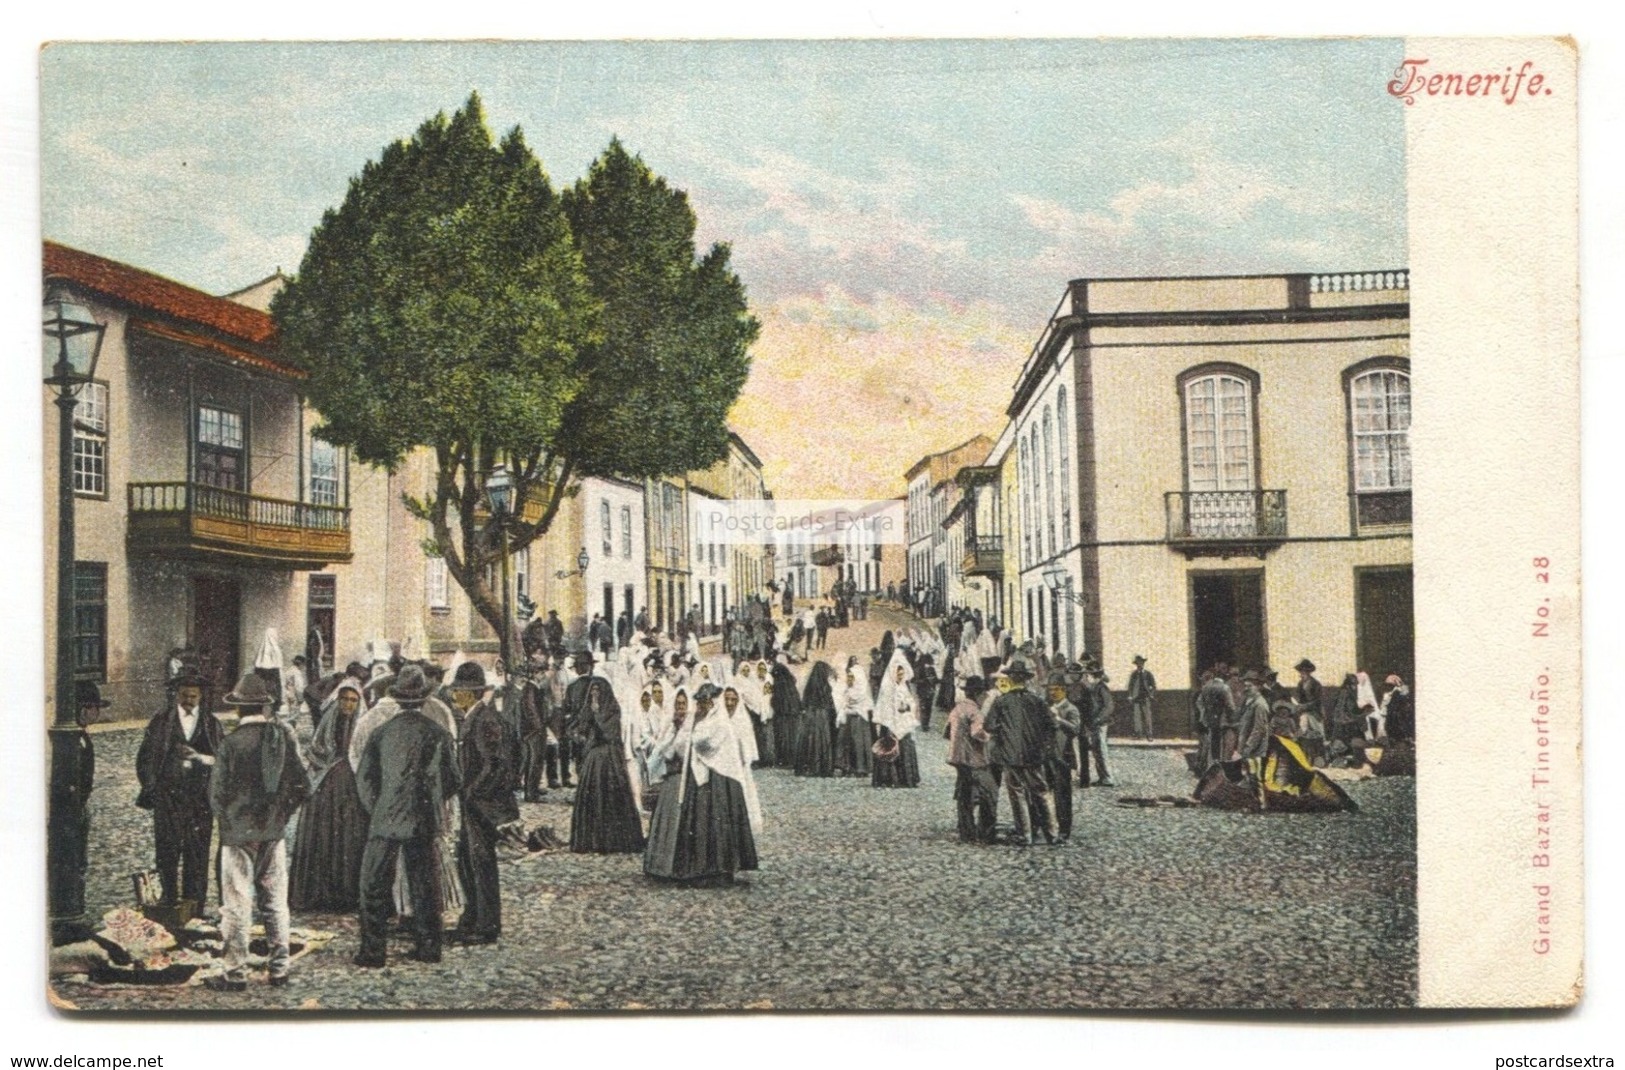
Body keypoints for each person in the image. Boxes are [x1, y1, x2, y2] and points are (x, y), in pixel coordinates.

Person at [205, 673, 310, 991]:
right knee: (276, 902)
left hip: (238, 834)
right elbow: (302, 786)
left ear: (238, 709)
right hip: (273, 833)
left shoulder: (231, 743)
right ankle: (279, 969)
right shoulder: (281, 736)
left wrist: (228, 822)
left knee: (236, 903)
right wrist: (281, 815)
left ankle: (235, 973)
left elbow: (216, 794)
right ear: (265, 707)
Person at [354, 666, 462, 968]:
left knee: (373, 886)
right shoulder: (437, 733)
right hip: (423, 818)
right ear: (424, 698)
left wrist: (378, 806)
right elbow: (453, 779)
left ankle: (373, 952)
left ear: (398, 699)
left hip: (385, 819)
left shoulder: (381, 733)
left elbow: (364, 780)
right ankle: (429, 948)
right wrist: (429, 800)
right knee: (425, 886)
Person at [644, 683, 760, 885]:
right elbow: (679, 747)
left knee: (718, 822)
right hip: (699, 779)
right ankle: (700, 868)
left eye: (707, 702)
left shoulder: (720, 723)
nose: (703, 707)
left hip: (720, 779)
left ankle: (720, 869)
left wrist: (692, 730)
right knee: (700, 824)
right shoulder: (698, 722)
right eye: (700, 703)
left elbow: (706, 743)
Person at [135, 665, 223, 911]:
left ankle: (194, 909)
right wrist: (153, 788)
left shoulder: (210, 723)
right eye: (184, 695)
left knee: (197, 854)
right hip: (169, 798)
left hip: (199, 800)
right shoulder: (161, 722)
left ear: (201, 697)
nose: (188, 700)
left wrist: (201, 758)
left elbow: (222, 758)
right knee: (167, 851)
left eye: (193, 696)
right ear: (176, 694)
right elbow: (146, 758)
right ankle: (168, 904)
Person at [445, 662, 516, 947]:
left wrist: (473, 791)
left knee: (481, 862)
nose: (454, 696)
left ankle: (487, 924)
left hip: (480, 804)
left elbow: (494, 764)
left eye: (458, 692)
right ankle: (472, 916)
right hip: (472, 802)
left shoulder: (484, 720)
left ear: (470, 693)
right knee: (468, 861)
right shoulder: (473, 717)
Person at [289, 680, 367, 913]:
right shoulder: (329, 720)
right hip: (326, 783)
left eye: (353, 700)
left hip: (352, 784)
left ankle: (346, 895)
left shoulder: (361, 725)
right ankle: (320, 893)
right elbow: (318, 751)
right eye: (344, 699)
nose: (348, 704)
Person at [982, 657, 1058, 846]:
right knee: (1042, 792)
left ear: (1010, 679)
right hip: (1034, 754)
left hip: (1011, 755)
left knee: (1017, 794)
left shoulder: (1001, 702)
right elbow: (1053, 724)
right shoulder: (1037, 701)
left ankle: (1025, 835)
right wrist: (1043, 743)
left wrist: (1003, 730)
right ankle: (1053, 833)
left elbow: (989, 726)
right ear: (1026, 679)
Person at [569, 676, 648, 854]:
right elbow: (577, 726)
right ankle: (591, 839)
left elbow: (608, 733)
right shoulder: (589, 708)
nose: (595, 694)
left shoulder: (613, 709)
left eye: (598, 691)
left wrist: (596, 714)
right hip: (593, 757)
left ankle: (612, 839)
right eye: (593, 691)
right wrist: (578, 734)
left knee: (610, 796)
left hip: (609, 758)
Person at [947, 676, 997, 844]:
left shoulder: (957, 709)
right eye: (983, 695)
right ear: (978, 694)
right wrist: (989, 736)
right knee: (989, 794)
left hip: (958, 758)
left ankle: (966, 832)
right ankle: (986, 834)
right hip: (974, 759)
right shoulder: (975, 712)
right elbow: (977, 733)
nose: (984, 699)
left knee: (964, 796)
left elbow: (947, 732)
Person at [871, 650, 921, 788]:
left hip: (903, 722)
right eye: (898, 674)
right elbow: (885, 708)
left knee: (905, 747)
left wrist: (908, 707)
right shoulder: (888, 688)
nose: (900, 677)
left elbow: (911, 702)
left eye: (902, 674)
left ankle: (906, 778)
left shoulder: (903, 686)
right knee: (891, 748)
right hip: (891, 724)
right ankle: (890, 778)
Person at [1044, 672, 1081, 843]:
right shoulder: (1047, 707)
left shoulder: (1070, 709)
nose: (1053, 693)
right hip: (1047, 757)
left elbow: (1075, 729)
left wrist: (1059, 720)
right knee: (1044, 793)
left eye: (1057, 689)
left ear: (1064, 690)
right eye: (1051, 690)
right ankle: (1046, 827)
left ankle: (1064, 830)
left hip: (1063, 757)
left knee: (1062, 796)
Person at [793, 662, 837, 777]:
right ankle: (821, 767)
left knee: (810, 742)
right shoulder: (825, 686)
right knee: (821, 742)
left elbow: (804, 701)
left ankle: (809, 766)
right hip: (821, 716)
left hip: (810, 716)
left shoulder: (810, 685)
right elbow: (829, 702)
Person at [833, 658, 873, 778]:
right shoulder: (848, 690)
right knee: (846, 743)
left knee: (858, 743)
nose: (849, 679)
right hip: (849, 720)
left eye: (852, 677)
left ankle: (860, 767)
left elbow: (861, 703)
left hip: (858, 719)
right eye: (848, 677)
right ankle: (847, 766)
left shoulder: (861, 692)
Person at [1083, 666, 1116, 788]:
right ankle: (1102, 777)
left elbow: (1108, 707)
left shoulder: (1102, 688)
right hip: (1095, 723)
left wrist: (1098, 719)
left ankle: (1108, 777)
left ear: (1094, 676)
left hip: (1100, 724)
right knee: (1096, 750)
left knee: (1101, 750)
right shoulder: (1095, 688)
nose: (1087, 677)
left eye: (1088, 675)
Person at [770, 656, 802, 767]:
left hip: (782, 716)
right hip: (792, 716)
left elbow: (776, 701)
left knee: (783, 738)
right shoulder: (790, 684)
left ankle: (783, 760)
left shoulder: (779, 684)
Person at [1126, 655, 1156, 741]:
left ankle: (1149, 735)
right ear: (1136, 664)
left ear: (1143, 663)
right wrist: (1130, 695)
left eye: (1141, 663)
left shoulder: (1148, 674)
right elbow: (1130, 686)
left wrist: (1152, 694)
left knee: (1147, 717)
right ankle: (1138, 734)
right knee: (1137, 717)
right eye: (1138, 663)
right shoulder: (1134, 674)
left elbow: (1153, 685)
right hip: (1136, 698)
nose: (1140, 665)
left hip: (1145, 697)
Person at [1382, 674, 1415, 743]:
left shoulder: (1398, 691)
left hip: (1397, 712)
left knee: (1397, 724)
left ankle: (1400, 738)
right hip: (1392, 711)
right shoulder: (1389, 693)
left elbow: (1403, 698)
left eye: (1390, 685)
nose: (1388, 687)